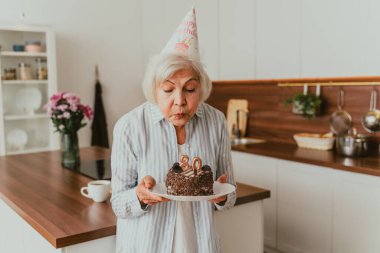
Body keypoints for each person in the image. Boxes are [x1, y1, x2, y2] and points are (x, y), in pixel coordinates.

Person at [111, 7, 236, 253]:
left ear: (201, 88)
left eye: (190, 89)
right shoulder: (131, 126)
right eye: (168, 90)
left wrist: (222, 196)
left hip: (199, 244)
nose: (179, 101)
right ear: (154, 89)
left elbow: (229, 192)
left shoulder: (216, 121)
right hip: (147, 245)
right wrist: (139, 196)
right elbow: (118, 203)